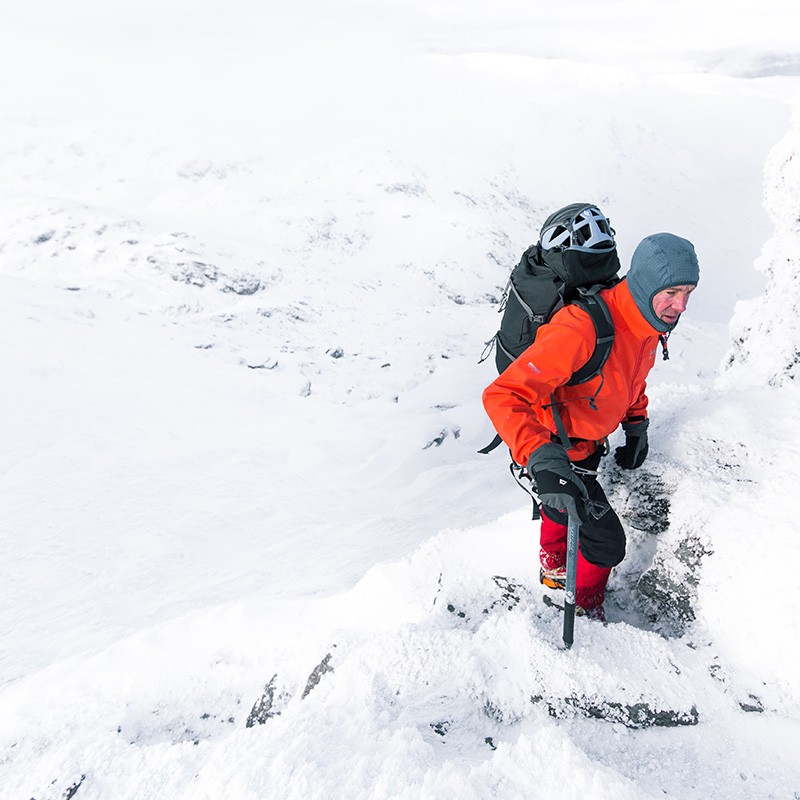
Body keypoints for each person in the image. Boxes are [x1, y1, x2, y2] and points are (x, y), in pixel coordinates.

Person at [482, 231, 700, 619]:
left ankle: (553, 567)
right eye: (671, 292)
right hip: (553, 451)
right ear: (647, 282)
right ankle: (582, 606)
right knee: (606, 545)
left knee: (561, 509)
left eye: (687, 292)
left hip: (586, 448)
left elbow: (631, 378)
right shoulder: (581, 328)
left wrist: (636, 425)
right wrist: (541, 457)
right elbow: (502, 395)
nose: (680, 305)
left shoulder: (647, 323)